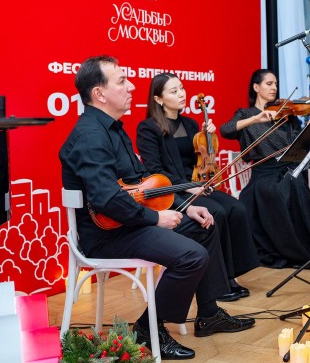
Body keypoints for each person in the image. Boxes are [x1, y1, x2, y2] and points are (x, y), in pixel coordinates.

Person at [59, 56, 254, 360]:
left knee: (204, 224)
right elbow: (107, 199)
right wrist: (155, 218)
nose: (131, 86)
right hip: (108, 234)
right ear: (99, 93)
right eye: (122, 81)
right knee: (191, 256)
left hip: (127, 221)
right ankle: (148, 330)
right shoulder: (90, 135)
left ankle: (208, 314)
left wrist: (183, 208)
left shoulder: (112, 128)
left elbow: (143, 185)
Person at [136, 72, 260, 302]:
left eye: (181, 88)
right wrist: (187, 186)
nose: (182, 94)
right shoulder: (148, 128)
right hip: (173, 191)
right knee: (217, 212)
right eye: (174, 91)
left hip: (198, 183)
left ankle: (231, 273)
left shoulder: (191, 124)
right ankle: (219, 285)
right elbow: (154, 172)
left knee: (236, 208)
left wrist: (208, 138)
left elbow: (202, 159)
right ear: (159, 99)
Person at [219, 68, 310, 269]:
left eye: (276, 84)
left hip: (287, 169)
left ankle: (307, 248)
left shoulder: (286, 113)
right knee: (276, 189)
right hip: (263, 173)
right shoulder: (246, 114)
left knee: (293, 183)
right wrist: (256, 119)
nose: (274, 88)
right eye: (269, 84)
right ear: (256, 87)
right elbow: (225, 130)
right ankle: (290, 250)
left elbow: (300, 141)